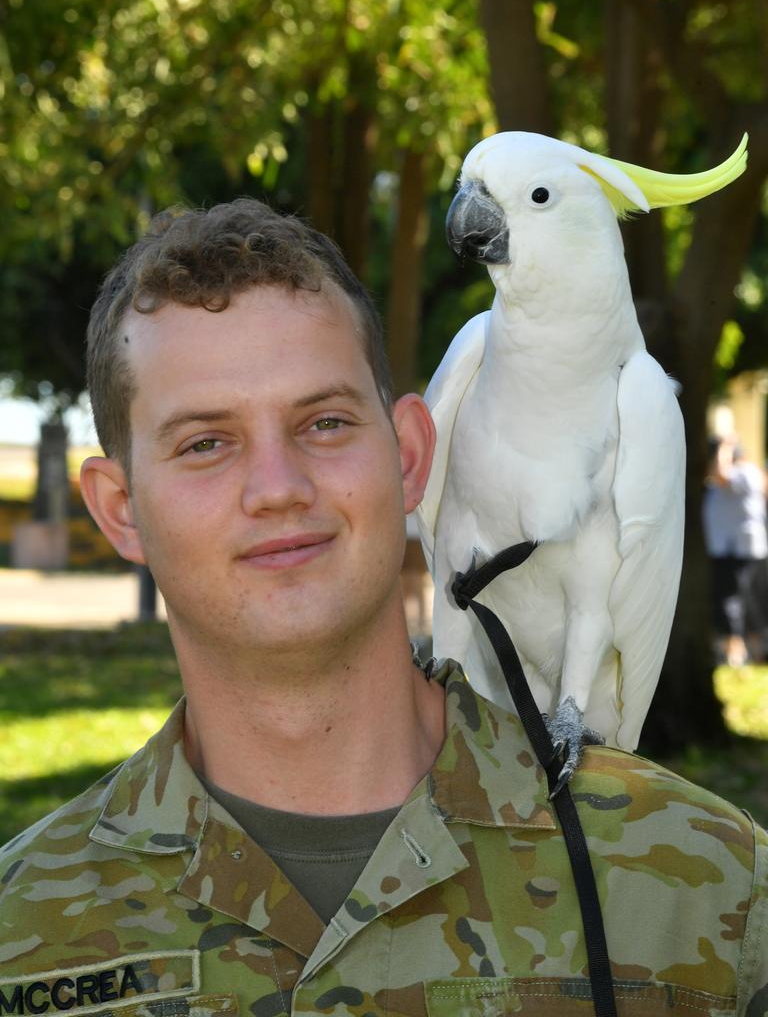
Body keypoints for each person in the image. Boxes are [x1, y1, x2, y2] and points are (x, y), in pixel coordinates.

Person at [0, 200, 766, 1016]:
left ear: (407, 457)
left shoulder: (709, 893)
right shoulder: (23, 933)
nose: (278, 489)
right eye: (205, 444)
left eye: (324, 423)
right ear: (119, 508)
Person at [703, 434, 768, 666]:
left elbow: (721, 473)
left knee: (736, 603)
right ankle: (749, 652)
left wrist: (724, 447)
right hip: (731, 549)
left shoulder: (743, 473)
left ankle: (741, 654)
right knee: (739, 603)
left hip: (738, 550)